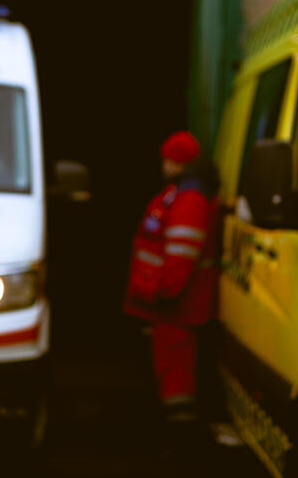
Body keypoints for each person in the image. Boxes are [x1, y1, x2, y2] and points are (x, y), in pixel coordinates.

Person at [122, 130, 219, 448]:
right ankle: (176, 433)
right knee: (172, 373)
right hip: (169, 307)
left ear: (177, 162)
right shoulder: (179, 193)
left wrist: (162, 293)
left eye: (167, 159)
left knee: (177, 378)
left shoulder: (189, 199)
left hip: (176, 308)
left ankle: (180, 442)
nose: (163, 165)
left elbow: (180, 256)